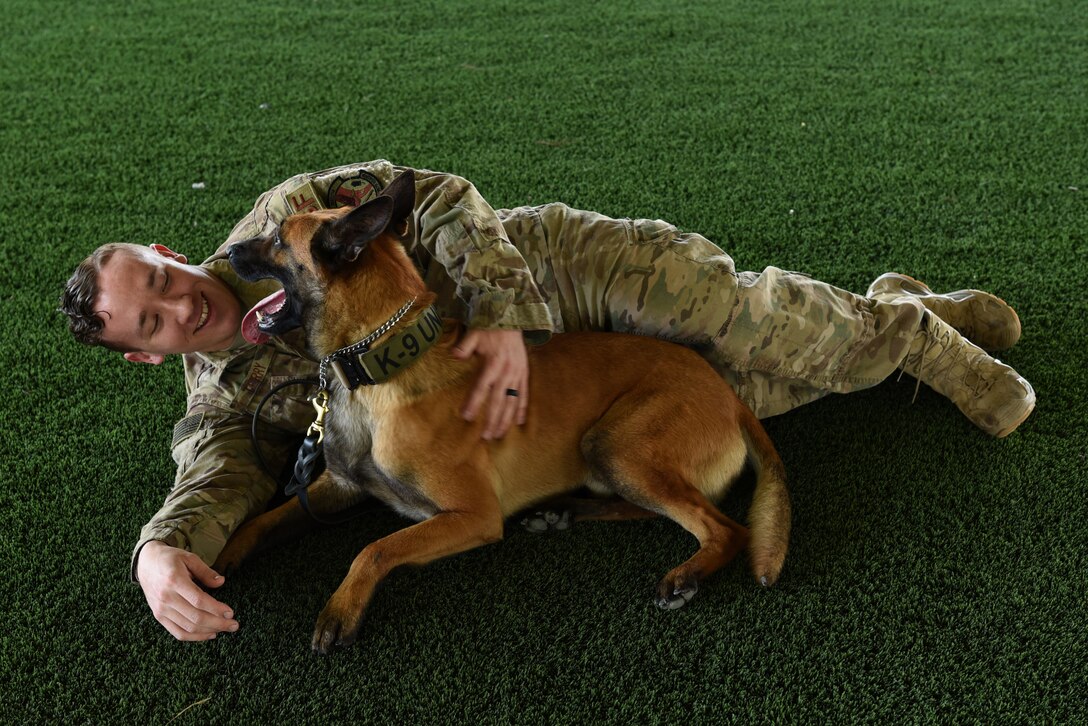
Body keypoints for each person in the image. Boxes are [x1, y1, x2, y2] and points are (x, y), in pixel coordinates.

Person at [60, 160, 1034, 642]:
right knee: (753, 400)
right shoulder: (220, 390)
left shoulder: (288, 218)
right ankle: (894, 310)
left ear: (166, 256)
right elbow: (219, 470)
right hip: (509, 399)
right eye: (146, 323)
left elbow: (431, 197)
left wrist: (507, 325)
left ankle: (905, 331)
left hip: (536, 273)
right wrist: (160, 554)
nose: (173, 307)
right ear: (144, 355)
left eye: (158, 282)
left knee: (738, 321)